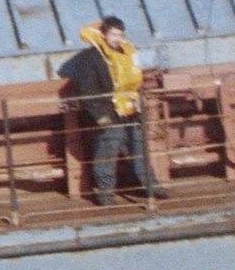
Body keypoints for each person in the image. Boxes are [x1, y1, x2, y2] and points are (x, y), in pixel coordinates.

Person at [61, 15, 169, 205]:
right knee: (107, 152)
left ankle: (152, 186)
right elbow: (88, 89)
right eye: (113, 34)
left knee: (139, 146)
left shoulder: (127, 53)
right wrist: (101, 116)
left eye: (120, 35)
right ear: (103, 34)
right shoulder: (92, 58)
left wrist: (138, 108)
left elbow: (133, 84)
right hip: (108, 112)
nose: (116, 38)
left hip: (130, 108)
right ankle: (105, 194)